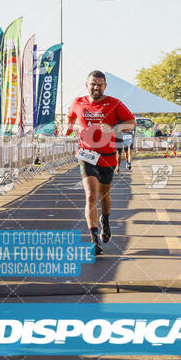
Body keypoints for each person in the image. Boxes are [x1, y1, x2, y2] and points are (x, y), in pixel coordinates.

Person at [64, 71, 136, 256]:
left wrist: (114, 128)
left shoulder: (114, 103)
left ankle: (105, 220)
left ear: (105, 86)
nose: (96, 87)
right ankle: (94, 240)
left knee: (104, 194)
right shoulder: (78, 102)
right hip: (86, 154)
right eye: (93, 84)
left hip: (107, 155)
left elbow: (131, 122)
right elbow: (70, 117)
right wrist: (68, 127)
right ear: (86, 84)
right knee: (90, 196)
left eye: (99, 84)